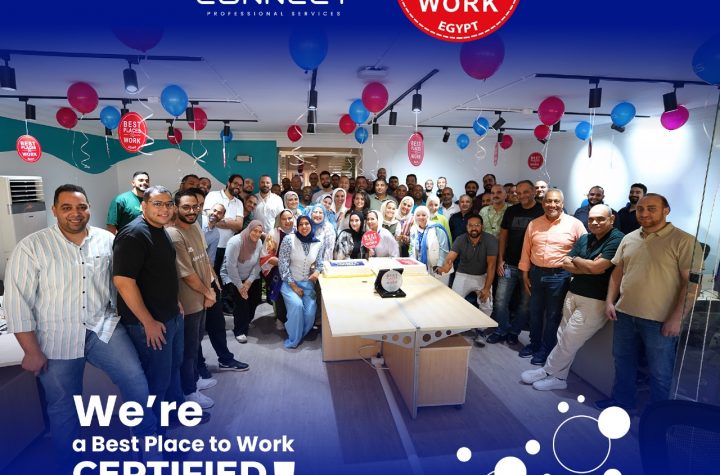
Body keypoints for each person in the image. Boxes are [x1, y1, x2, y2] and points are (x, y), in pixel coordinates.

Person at [4, 184, 157, 466]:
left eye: (81, 207)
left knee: (135, 381)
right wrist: (31, 350)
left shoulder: (106, 240)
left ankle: (148, 446)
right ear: (54, 211)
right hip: (56, 336)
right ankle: (69, 463)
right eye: (67, 208)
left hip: (103, 328)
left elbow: (123, 281)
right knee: (63, 405)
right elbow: (17, 302)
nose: (75, 213)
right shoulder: (32, 247)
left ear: (89, 208)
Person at [597, 194, 702, 411]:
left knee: (660, 372)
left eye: (651, 208)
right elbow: (618, 272)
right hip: (625, 314)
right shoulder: (629, 238)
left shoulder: (684, 241)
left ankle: (659, 417)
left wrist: (677, 318)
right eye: (640, 208)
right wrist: (610, 301)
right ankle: (622, 403)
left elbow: (692, 284)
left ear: (666, 210)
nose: (644, 213)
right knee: (623, 363)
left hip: (660, 320)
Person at [521, 204, 624, 391]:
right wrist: (586, 264)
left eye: (600, 219)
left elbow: (597, 268)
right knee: (562, 336)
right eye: (591, 219)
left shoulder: (617, 239)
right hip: (574, 292)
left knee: (570, 339)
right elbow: (565, 262)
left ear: (611, 219)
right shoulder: (585, 237)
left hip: (595, 300)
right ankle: (558, 377)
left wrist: (580, 262)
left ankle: (548, 370)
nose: (594, 222)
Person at [113, 185, 186, 423]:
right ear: (143, 206)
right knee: (157, 381)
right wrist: (148, 322)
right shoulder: (133, 235)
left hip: (169, 316)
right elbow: (123, 282)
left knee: (173, 369)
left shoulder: (160, 229)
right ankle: (155, 432)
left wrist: (175, 302)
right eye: (157, 204)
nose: (164, 209)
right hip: (149, 324)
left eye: (168, 204)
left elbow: (160, 272)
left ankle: (174, 416)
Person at [519, 189, 586, 365]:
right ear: (543, 203)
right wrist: (525, 273)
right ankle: (534, 344)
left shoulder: (575, 224)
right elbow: (526, 250)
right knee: (534, 312)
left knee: (553, 315)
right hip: (536, 273)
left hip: (560, 276)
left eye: (556, 201)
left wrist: (575, 268)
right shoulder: (534, 224)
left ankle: (546, 349)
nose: (552, 205)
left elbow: (585, 248)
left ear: (562, 203)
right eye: (548, 201)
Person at [167, 190, 217, 409]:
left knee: (196, 345)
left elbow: (204, 259)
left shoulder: (195, 226)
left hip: (202, 298)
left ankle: (195, 379)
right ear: (176, 208)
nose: (191, 211)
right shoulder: (173, 234)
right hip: (188, 302)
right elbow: (186, 274)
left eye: (195, 207)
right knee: (187, 350)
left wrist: (212, 286)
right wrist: (208, 292)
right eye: (185, 207)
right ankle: (188, 392)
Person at [486, 181, 545, 345]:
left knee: (525, 304)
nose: (522, 196)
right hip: (509, 264)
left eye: (525, 192)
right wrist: (501, 260)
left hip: (531, 267)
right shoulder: (511, 210)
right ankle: (502, 329)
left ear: (533, 192)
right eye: (518, 193)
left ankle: (514, 332)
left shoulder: (541, 211)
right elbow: (503, 236)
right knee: (500, 301)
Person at [198, 204, 249, 375]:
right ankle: (198, 366)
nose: (215, 214)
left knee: (217, 323)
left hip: (207, 279)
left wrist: (215, 283)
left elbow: (209, 260)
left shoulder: (215, 234)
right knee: (195, 330)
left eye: (219, 212)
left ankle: (225, 359)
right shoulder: (195, 227)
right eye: (213, 210)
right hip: (191, 283)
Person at [436, 215, 497, 328]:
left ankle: (481, 330)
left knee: (487, 305)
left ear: (482, 226)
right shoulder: (460, 239)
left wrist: (486, 288)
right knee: (453, 303)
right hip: (463, 274)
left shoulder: (491, 240)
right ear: (466, 227)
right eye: (470, 225)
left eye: (477, 225)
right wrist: (445, 268)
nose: (474, 228)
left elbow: (491, 266)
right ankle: (455, 329)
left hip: (483, 276)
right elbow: (450, 258)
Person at [279, 215, 325, 348]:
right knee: (297, 306)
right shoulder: (289, 239)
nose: (304, 227)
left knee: (310, 313)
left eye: (307, 224)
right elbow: (282, 264)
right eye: (301, 224)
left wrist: (317, 272)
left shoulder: (318, 243)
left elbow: (320, 263)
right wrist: (294, 286)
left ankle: (300, 334)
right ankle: (294, 338)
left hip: (307, 284)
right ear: (297, 226)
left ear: (311, 225)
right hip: (289, 283)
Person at [222, 220, 264, 345]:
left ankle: (246, 321)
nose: (257, 234)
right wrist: (240, 286)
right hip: (234, 277)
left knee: (254, 300)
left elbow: (258, 263)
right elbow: (230, 267)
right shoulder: (235, 242)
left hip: (251, 276)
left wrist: (249, 281)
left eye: (260, 232)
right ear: (249, 229)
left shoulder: (259, 242)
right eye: (255, 231)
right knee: (241, 304)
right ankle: (239, 331)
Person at [409, 206, 451, 278]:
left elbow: (444, 248)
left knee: (438, 285)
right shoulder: (413, 229)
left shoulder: (436, 228)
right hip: (420, 266)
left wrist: (439, 265)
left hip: (437, 267)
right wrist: (412, 262)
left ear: (428, 216)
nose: (421, 217)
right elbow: (411, 247)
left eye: (424, 215)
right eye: (418, 215)